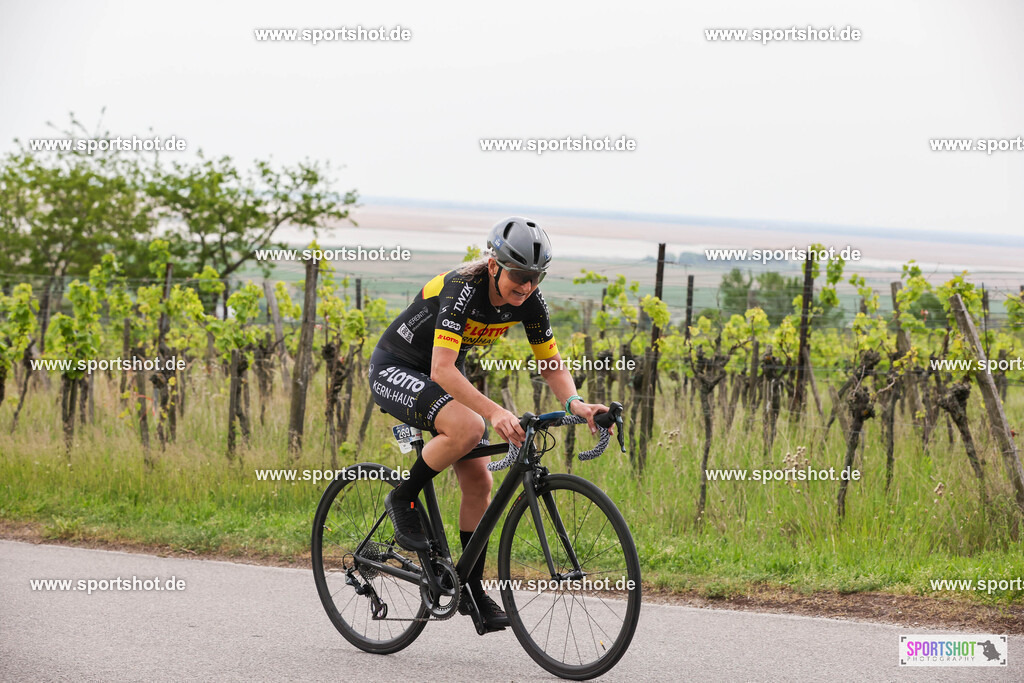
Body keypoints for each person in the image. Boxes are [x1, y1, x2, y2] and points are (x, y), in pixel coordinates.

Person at [368, 216, 609, 631]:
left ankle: (471, 590)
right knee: (470, 427)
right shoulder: (463, 288)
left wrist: (576, 403)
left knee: (479, 481)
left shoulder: (531, 302)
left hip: (438, 373)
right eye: (519, 275)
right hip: (397, 368)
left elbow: (551, 365)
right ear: (495, 265)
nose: (527, 286)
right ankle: (403, 498)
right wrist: (495, 412)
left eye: (536, 277)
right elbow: (442, 371)